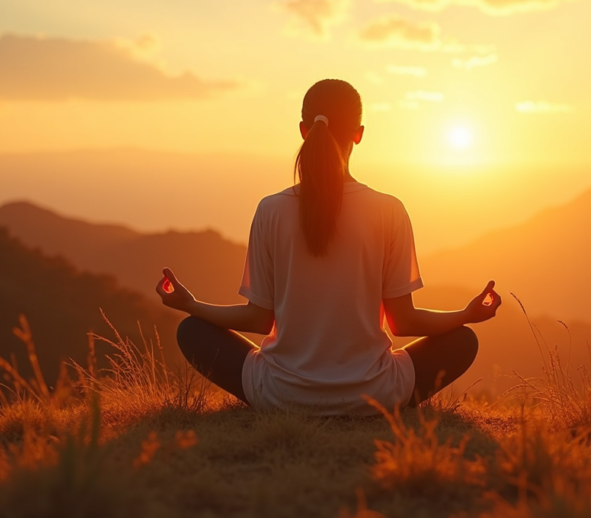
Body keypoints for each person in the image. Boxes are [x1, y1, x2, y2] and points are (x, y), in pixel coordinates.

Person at [155, 78, 501, 416]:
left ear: (304, 130)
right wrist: (466, 315)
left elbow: (258, 319)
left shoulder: (270, 210)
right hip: (375, 395)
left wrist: (191, 304)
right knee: (463, 340)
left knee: (192, 329)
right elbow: (403, 321)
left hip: (280, 396)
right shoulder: (389, 210)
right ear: (359, 133)